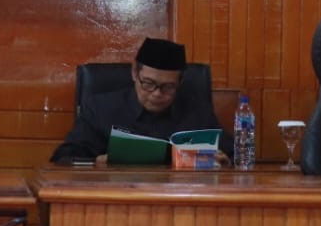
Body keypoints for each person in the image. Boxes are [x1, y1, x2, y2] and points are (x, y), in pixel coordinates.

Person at [51, 37, 226, 165]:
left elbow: (231, 154)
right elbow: (64, 157)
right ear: (135, 73)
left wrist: (225, 160)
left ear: (179, 83)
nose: (157, 94)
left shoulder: (198, 113)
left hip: (179, 196)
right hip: (117, 195)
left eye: (168, 87)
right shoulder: (101, 108)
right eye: (148, 83)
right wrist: (97, 161)